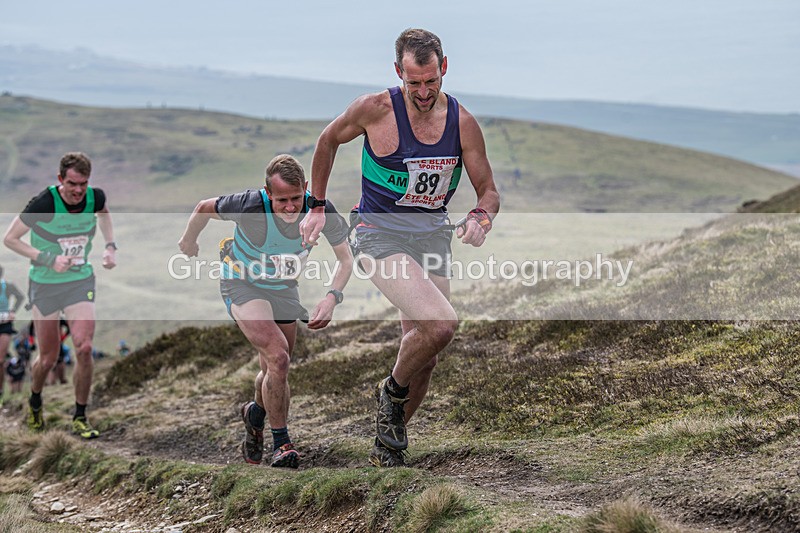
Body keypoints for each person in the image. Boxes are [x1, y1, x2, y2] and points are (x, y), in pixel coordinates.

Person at [300, 28, 501, 467]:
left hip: (432, 237)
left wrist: (480, 218)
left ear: (444, 68)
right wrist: (316, 205)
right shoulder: (374, 109)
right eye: (414, 84)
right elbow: (327, 141)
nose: (424, 92)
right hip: (378, 233)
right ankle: (390, 393)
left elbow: (488, 192)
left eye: (432, 81)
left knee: (425, 354)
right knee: (442, 325)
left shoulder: (462, 123)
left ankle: (386, 450)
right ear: (398, 73)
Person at [178, 154, 353, 468]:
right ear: (267, 193)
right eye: (281, 200)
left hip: (283, 289)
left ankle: (255, 413)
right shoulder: (249, 206)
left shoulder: (319, 210)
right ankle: (282, 443)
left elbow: (346, 260)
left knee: (274, 370)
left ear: (307, 189)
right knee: (279, 356)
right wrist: (189, 240)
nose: (289, 207)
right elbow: (204, 207)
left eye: (296, 198)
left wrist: (331, 297)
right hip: (242, 285)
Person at [3, 152, 117, 438]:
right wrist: (46, 259)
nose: (78, 190)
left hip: (79, 281)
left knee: (85, 348)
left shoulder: (96, 197)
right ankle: (35, 399)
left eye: (84, 183)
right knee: (48, 358)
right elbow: (10, 239)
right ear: (60, 179)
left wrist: (110, 246)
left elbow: (104, 215)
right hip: (45, 285)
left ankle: (80, 415)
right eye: (72, 183)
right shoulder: (44, 202)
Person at [0, 265, 24, 403]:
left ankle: (1, 390)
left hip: (5, 326)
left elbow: (20, 297)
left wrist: (13, 311)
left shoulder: (7, 286)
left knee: (0, 360)